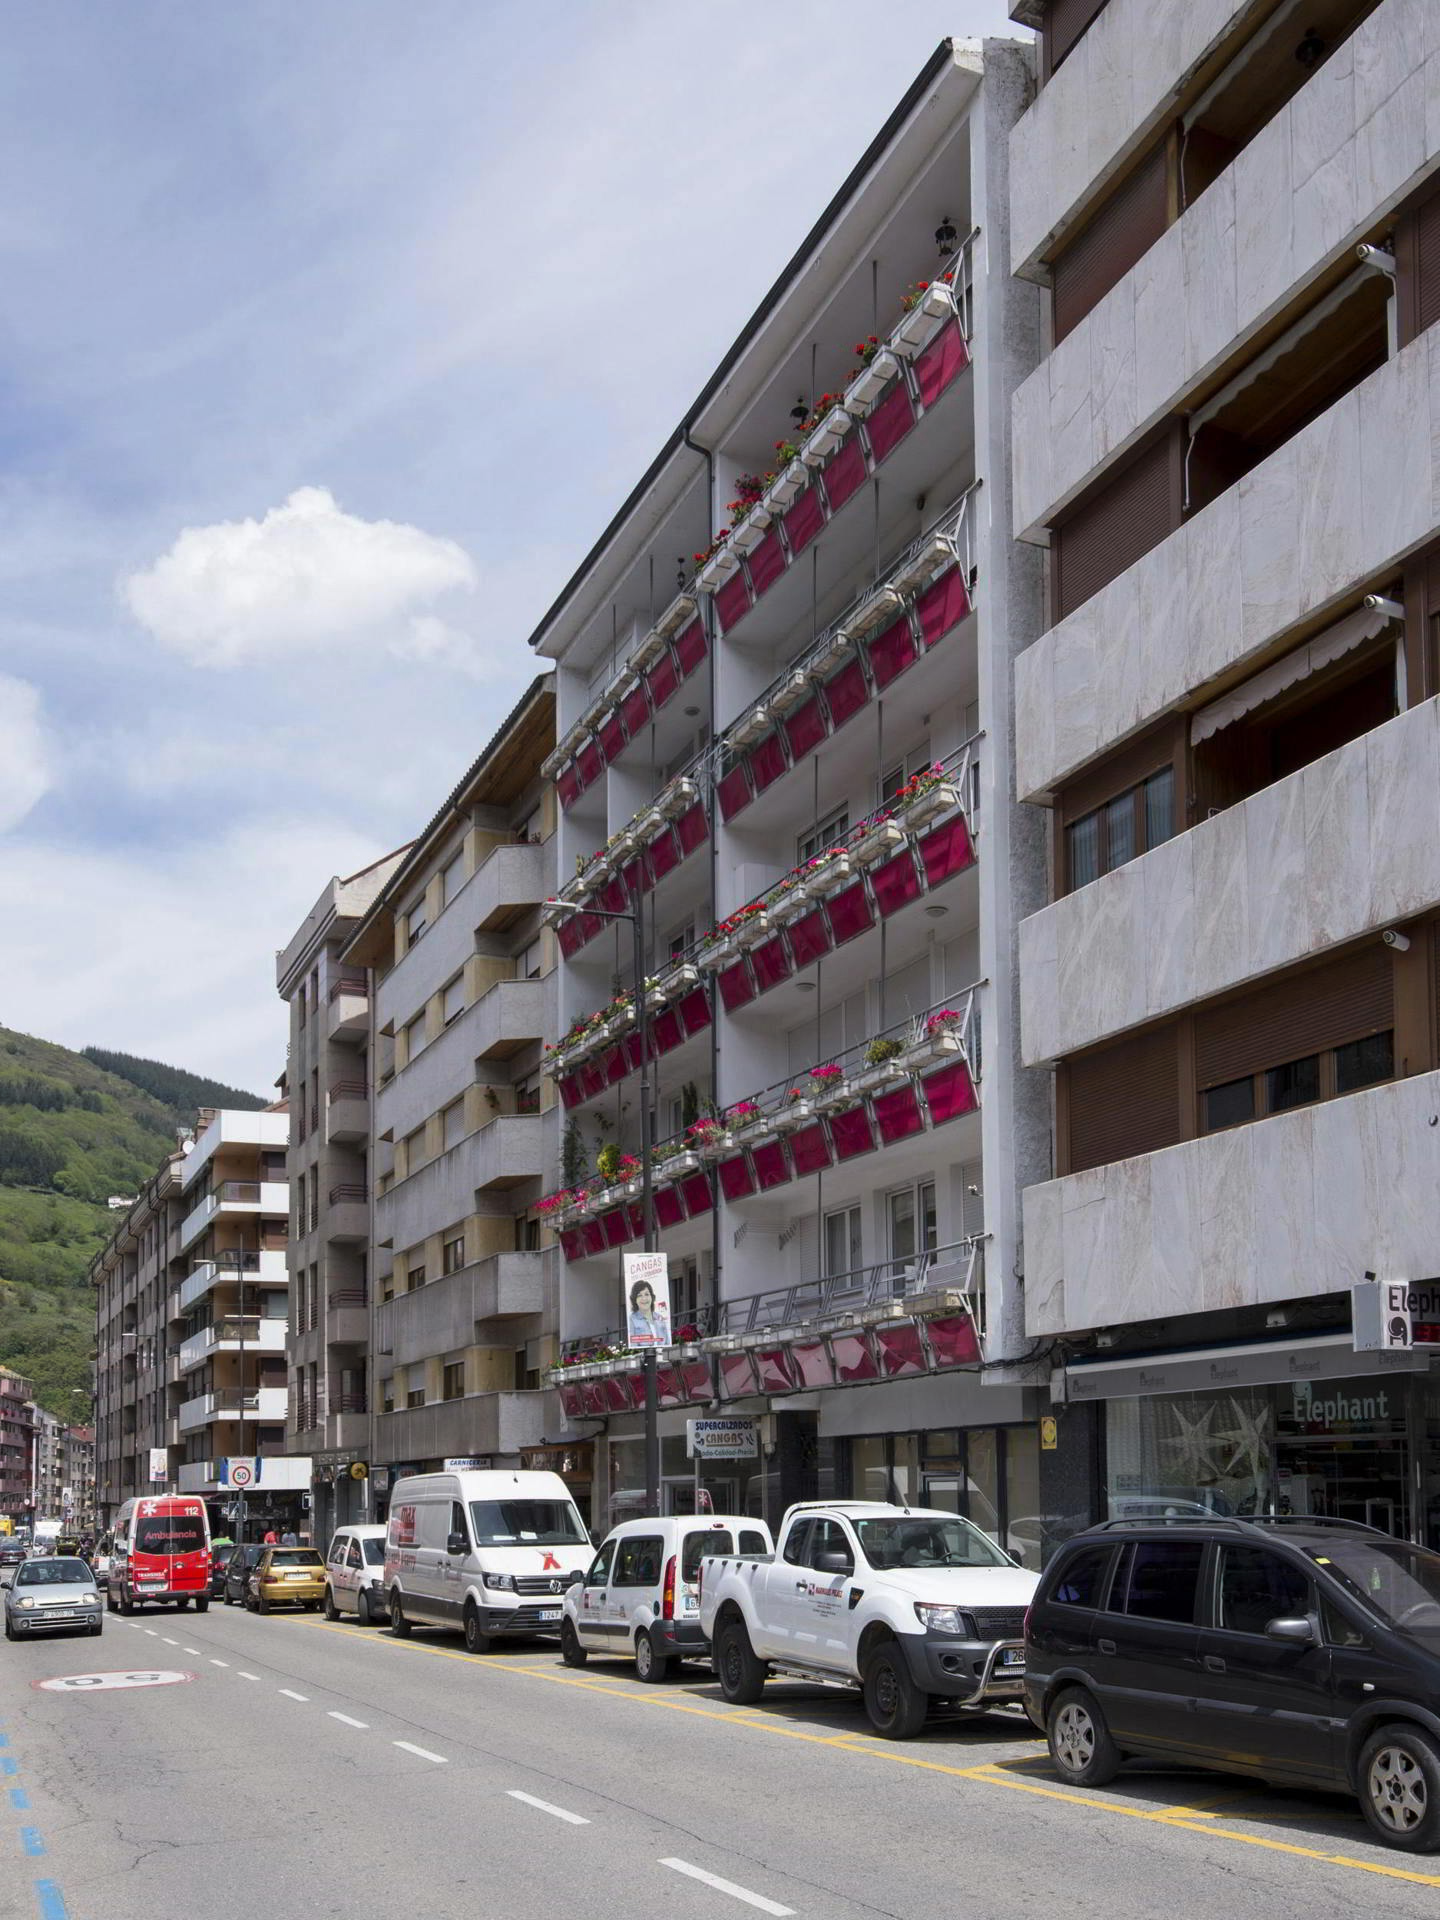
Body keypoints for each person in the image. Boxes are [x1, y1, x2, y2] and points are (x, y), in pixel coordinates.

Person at [627, 1278, 670, 1347]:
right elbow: (633, 1344)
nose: (644, 1298)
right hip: (644, 1355)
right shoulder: (632, 1319)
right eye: (639, 1295)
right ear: (635, 1299)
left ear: (652, 1297)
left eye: (646, 1294)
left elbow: (667, 1342)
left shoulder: (659, 1317)